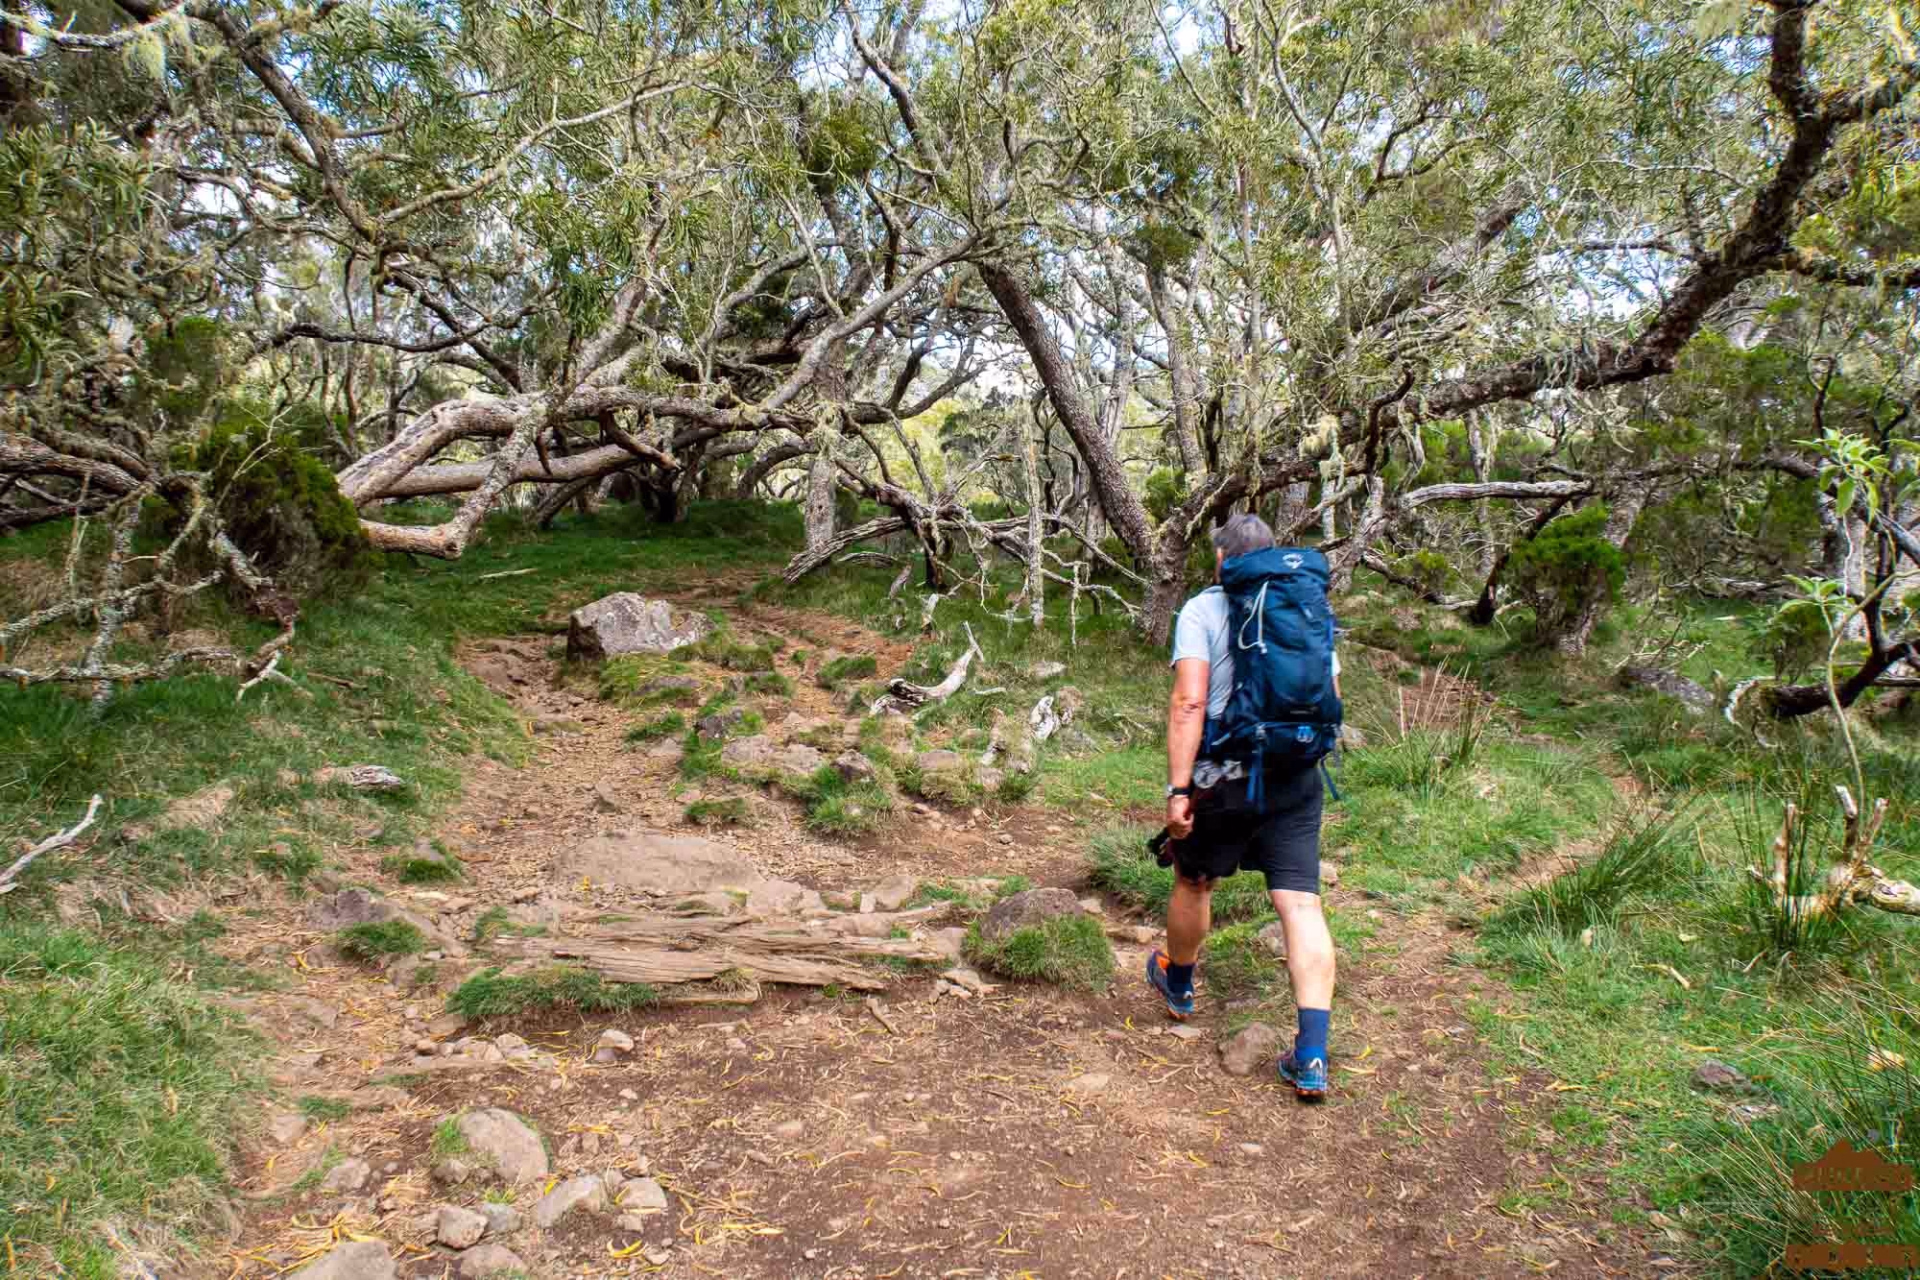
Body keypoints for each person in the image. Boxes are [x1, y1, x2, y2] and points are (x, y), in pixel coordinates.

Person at [1146, 513, 1339, 1100]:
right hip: (1295, 773)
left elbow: (1189, 703)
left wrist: (1179, 790)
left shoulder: (1203, 609)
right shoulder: (1306, 605)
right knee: (1300, 903)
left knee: (1195, 880)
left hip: (1222, 776)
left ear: (1222, 559)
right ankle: (1311, 1054)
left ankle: (1180, 985)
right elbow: (1330, 695)